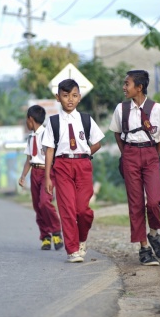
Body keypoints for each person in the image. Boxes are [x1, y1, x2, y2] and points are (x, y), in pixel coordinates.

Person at [109, 70, 160, 266]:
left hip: (151, 155)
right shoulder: (121, 109)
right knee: (135, 203)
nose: (124, 87)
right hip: (130, 156)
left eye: (127, 84)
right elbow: (117, 134)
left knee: (153, 201)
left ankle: (153, 234)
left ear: (139, 87)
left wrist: (155, 154)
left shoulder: (157, 109)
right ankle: (144, 248)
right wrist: (126, 153)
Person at [42, 79, 105, 263]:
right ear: (58, 97)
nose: (70, 99)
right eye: (65, 95)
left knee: (83, 211)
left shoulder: (85, 119)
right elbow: (49, 150)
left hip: (83, 165)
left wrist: (86, 153)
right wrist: (47, 177)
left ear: (79, 98)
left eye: (74, 95)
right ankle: (72, 250)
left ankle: (82, 238)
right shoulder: (53, 122)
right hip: (61, 166)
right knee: (67, 210)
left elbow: (97, 142)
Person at [18, 105, 64, 251]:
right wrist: (23, 175)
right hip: (35, 173)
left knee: (45, 202)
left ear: (31, 119)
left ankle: (56, 231)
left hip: (47, 172)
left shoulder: (47, 134)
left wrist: (51, 175)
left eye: (26, 120)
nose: (26, 123)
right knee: (37, 206)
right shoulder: (30, 138)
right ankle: (45, 236)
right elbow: (29, 159)